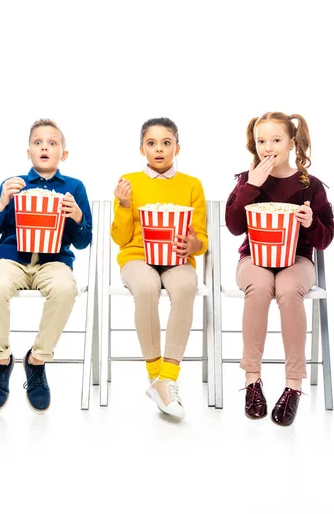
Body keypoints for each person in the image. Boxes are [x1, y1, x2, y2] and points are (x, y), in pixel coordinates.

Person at [226, 111, 334, 426]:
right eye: (261, 141)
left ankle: (293, 386)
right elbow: (233, 226)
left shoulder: (310, 185)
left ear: (291, 143)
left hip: (297, 259)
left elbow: (326, 238)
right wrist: (251, 185)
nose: (268, 147)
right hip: (254, 258)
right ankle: (252, 381)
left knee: (288, 292)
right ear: (254, 144)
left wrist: (311, 223)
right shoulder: (248, 180)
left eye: (276, 140)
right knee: (259, 289)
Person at [0, 118, 92, 414]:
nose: (45, 147)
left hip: (53, 261)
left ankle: (37, 361)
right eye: (38, 142)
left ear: (63, 154)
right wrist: (3, 202)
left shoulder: (73, 188)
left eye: (52, 143)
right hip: (12, 257)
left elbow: (83, 241)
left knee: (67, 289)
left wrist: (78, 216)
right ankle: (2, 361)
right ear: (28, 151)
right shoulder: (13, 184)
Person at [111, 117, 208, 420]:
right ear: (142, 149)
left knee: (185, 287)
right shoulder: (129, 181)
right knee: (146, 287)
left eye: (166, 143)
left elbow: (201, 238)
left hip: (177, 258)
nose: (159, 149)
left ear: (177, 147)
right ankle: (156, 376)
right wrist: (125, 207)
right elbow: (120, 238)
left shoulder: (191, 185)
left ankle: (168, 376)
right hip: (137, 256)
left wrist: (193, 245)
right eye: (151, 143)